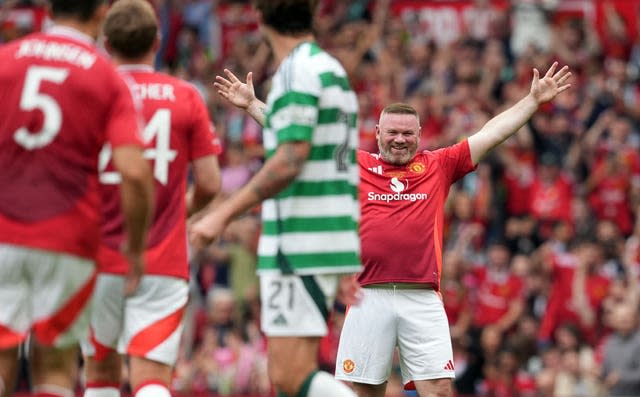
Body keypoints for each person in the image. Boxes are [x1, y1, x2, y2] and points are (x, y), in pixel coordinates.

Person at [206, 60, 572, 397]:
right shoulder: (355, 164)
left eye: (408, 134)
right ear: (378, 132)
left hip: (422, 297)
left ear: (420, 134)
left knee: (441, 390)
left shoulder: (439, 165)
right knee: (364, 392)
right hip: (369, 296)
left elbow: (492, 133)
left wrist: (532, 101)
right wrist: (252, 105)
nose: (400, 139)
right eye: (393, 132)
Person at [188, 1, 361, 396]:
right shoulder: (328, 69)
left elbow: (291, 157)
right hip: (325, 234)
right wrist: (252, 105)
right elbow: (312, 148)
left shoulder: (296, 71)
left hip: (301, 239)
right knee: (287, 375)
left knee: (288, 375)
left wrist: (224, 214)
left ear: (260, 18)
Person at [0, 1, 154, 396]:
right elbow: (135, 173)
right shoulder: (106, 77)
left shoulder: (6, 60)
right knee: (54, 368)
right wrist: (135, 248)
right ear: (101, 11)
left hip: (3, 231)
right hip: (68, 240)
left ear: (49, 7)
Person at [80, 1, 222, 397]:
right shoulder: (185, 96)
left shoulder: (88, 93)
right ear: (157, 40)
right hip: (163, 257)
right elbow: (210, 183)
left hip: (97, 256)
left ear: (105, 42)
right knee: (152, 378)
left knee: (100, 374)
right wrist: (180, 211)